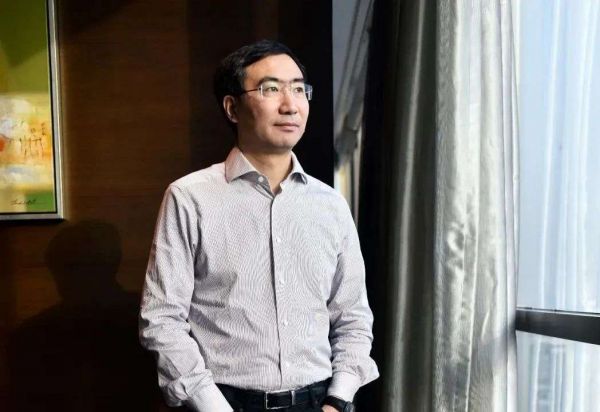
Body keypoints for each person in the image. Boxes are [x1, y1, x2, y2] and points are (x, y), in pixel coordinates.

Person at [139, 39, 378, 412]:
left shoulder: (330, 204)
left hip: (319, 402)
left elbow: (353, 317)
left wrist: (338, 399)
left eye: (298, 89)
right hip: (225, 402)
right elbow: (162, 319)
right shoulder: (189, 197)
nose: (290, 104)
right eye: (270, 89)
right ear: (232, 108)